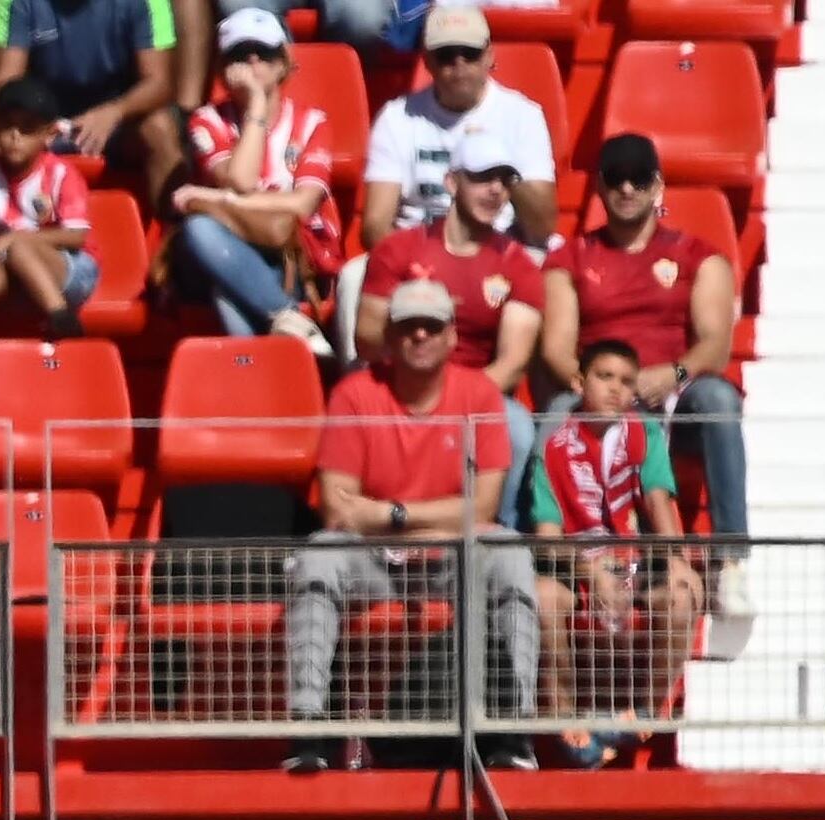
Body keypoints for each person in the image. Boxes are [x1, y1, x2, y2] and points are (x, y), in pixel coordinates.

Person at [286, 279, 537, 773]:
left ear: (450, 336)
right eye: (407, 327)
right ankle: (309, 726)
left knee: (510, 552)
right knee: (319, 554)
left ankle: (515, 730)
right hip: (375, 562)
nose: (419, 336)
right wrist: (438, 516)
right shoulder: (356, 394)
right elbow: (338, 509)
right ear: (390, 335)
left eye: (431, 327)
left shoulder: (479, 394)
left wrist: (391, 514)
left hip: (448, 558)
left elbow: (482, 507)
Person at [540, 133, 747, 598]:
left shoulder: (699, 257)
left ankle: (731, 559)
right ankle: (548, 558)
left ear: (658, 186)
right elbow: (557, 348)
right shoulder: (568, 260)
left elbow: (714, 345)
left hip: (672, 390)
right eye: (616, 178)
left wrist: (671, 374)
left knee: (718, 398)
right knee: (553, 415)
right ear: (599, 186)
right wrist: (602, 387)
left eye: (638, 179)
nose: (627, 189)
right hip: (598, 393)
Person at [528, 337, 701, 770]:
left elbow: (660, 504)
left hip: (634, 560)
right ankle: (568, 721)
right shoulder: (551, 445)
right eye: (604, 377)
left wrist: (677, 563)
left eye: (626, 381)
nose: (615, 389)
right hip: (574, 559)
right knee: (544, 599)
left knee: (682, 592)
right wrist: (591, 571)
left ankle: (644, 714)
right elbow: (548, 538)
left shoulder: (644, 433)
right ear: (578, 381)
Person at [358, 127, 541, 519]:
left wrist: (451, 401)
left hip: (478, 392)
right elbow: (369, 337)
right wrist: (420, 391)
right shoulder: (399, 248)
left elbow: (511, 364)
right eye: (481, 177)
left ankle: (493, 533)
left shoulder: (518, 265)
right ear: (451, 181)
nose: (495, 190)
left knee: (518, 426)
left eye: (504, 180)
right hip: (400, 381)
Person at [170, 6, 335, 351]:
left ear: (283, 62)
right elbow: (242, 179)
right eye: (241, 55)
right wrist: (258, 109)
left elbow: (303, 204)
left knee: (229, 292)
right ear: (223, 68)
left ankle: (262, 385)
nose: (254, 64)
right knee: (200, 233)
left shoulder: (312, 122)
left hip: (291, 258)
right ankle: (289, 320)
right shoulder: (207, 122)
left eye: (265, 54)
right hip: (230, 249)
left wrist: (219, 199)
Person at [359, 6, 557, 241]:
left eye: (470, 52)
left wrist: (500, 165)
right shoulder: (397, 117)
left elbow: (542, 227)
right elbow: (375, 228)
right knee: (353, 276)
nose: (459, 63)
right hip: (419, 251)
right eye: (446, 54)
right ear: (427, 60)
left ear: (489, 55)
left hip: (501, 251)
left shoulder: (523, 116)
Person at [0, 77, 99, 356]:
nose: (15, 136)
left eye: (27, 129)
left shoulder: (60, 173)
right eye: (7, 126)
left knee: (17, 247)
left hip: (72, 269)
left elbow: (76, 236)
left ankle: (61, 318)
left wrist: (14, 240)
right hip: (15, 272)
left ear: (49, 135)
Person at [0, 0, 179, 199]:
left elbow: (160, 84)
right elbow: (7, 86)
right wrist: (43, 123)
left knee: (160, 128)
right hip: (41, 122)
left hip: (118, 122)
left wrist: (113, 112)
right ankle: (2, 220)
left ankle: (170, 226)